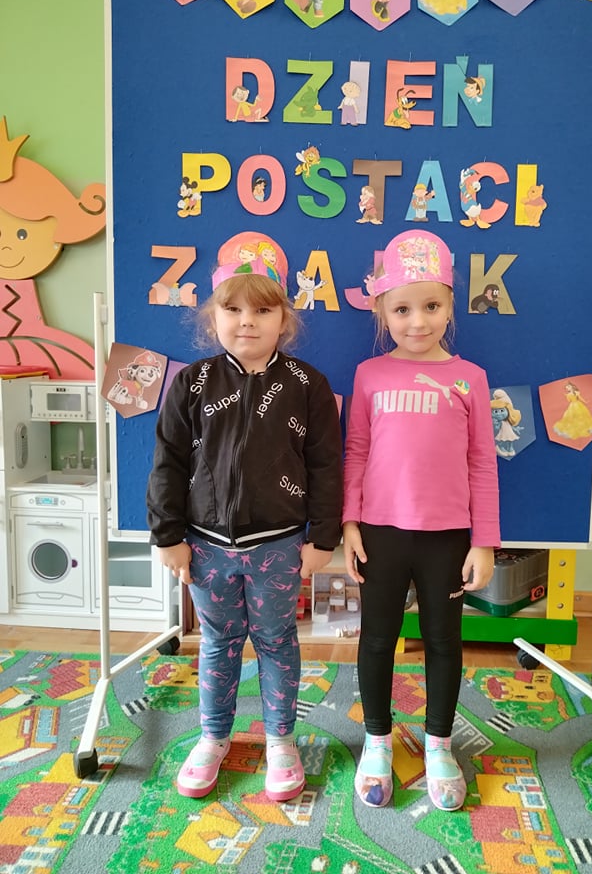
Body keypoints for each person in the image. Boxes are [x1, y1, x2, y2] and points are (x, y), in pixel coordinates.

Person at [146, 233, 343, 801]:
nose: (247, 321)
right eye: (232, 309)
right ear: (213, 316)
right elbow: (168, 463)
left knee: (278, 641)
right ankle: (213, 737)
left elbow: (327, 466)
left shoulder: (308, 386)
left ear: (285, 319)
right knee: (218, 641)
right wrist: (168, 536)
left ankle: (281, 740)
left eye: (262, 309)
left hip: (279, 546)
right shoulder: (192, 383)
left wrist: (322, 537)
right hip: (204, 546)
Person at [342, 230, 500, 812]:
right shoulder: (368, 374)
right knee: (378, 639)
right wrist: (349, 522)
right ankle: (376, 742)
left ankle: (439, 745)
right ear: (383, 312)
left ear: (451, 307)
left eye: (431, 306)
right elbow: (356, 451)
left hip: (448, 538)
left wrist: (484, 541)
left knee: (442, 640)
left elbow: (483, 462)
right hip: (380, 534)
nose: (417, 322)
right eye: (403, 309)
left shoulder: (470, 377)